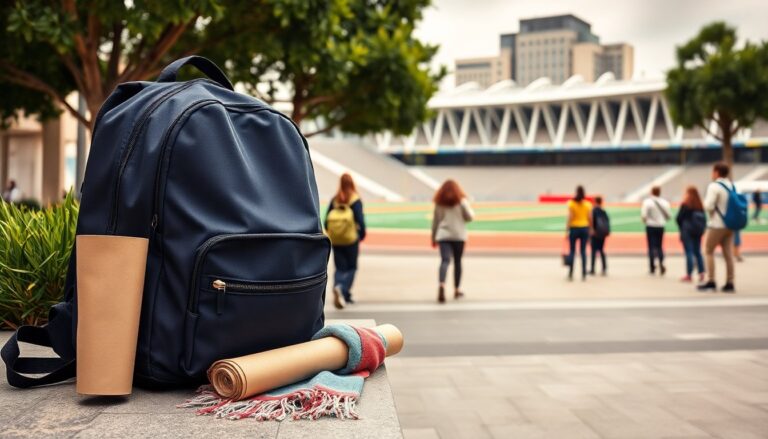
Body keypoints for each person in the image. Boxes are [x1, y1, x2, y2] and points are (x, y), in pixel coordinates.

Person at [324, 173, 366, 309]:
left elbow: (326, 222)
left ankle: (340, 289)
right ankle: (343, 289)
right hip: (351, 239)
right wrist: (361, 234)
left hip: (336, 240)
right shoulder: (355, 200)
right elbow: (360, 220)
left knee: (340, 267)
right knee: (352, 267)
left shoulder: (335, 200)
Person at [431, 179, 474, 304]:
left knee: (445, 261)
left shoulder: (439, 203)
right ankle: (456, 289)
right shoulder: (461, 201)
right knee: (458, 262)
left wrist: (433, 238)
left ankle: (442, 284)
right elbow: (469, 217)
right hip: (458, 235)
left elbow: (435, 222)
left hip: (443, 235)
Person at [698, 162, 735, 293]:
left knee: (708, 251)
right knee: (728, 254)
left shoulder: (714, 186)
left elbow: (708, 206)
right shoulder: (731, 185)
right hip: (730, 224)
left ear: (717, 172)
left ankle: (711, 281)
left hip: (717, 224)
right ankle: (730, 282)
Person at [675, 186, 706, 282]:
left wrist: (682, 227)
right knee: (698, 252)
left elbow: (678, 218)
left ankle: (689, 274)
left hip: (687, 231)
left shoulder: (685, 204)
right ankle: (701, 272)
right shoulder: (700, 205)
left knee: (689, 252)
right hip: (697, 231)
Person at [641, 186, 671, 275]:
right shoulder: (665, 202)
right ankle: (661, 262)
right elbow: (669, 216)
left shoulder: (647, 202)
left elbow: (643, 215)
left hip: (650, 225)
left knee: (651, 247)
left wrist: (646, 220)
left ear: (652, 192)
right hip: (660, 226)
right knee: (659, 246)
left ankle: (652, 267)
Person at [566, 186, 592, 281]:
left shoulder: (571, 203)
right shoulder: (588, 204)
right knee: (583, 251)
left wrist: (567, 229)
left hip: (574, 228)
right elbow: (590, 218)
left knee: (572, 251)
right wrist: (591, 229)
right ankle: (584, 273)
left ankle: (571, 273)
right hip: (584, 228)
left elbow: (570, 217)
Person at [589, 196, 609, 276]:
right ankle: (604, 268)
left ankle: (593, 269)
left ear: (595, 201)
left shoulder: (593, 211)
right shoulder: (603, 211)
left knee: (593, 251)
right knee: (601, 250)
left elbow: (591, 221)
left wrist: (591, 230)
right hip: (602, 233)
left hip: (595, 233)